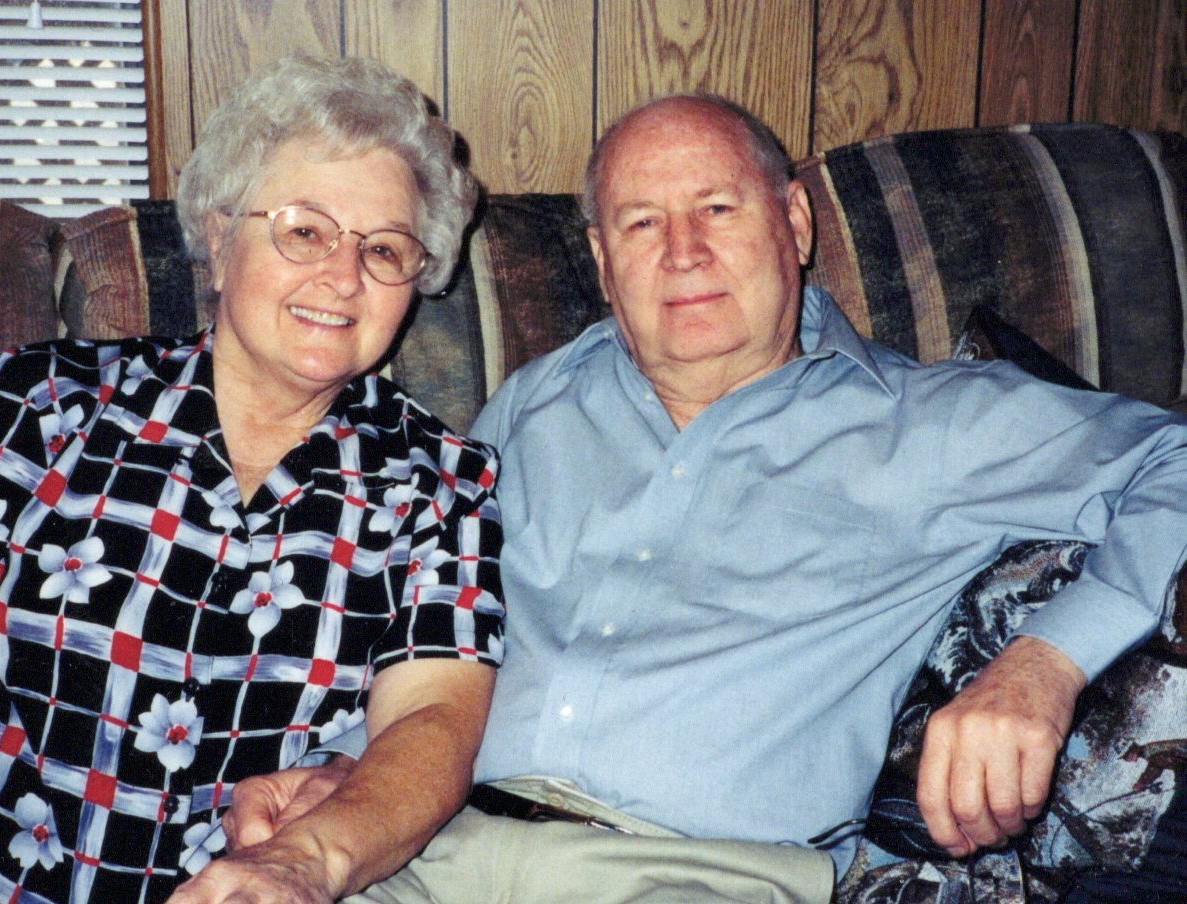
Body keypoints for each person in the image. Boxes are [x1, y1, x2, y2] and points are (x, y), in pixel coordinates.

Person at [223, 93, 1187, 903]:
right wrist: (348, 764)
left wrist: (1044, 665)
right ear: (602, 262)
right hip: (428, 858)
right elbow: (442, 628)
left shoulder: (937, 424)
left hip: (695, 876)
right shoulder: (534, 403)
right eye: (642, 223)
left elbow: (1173, 460)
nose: (682, 251)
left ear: (795, 223)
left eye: (718, 209)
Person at [0, 55, 502, 904]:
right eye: (305, 231)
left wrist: (304, 863)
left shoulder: (440, 483)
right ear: (219, 239)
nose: (343, 277)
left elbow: (432, 722)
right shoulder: (37, 405)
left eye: (383, 248)